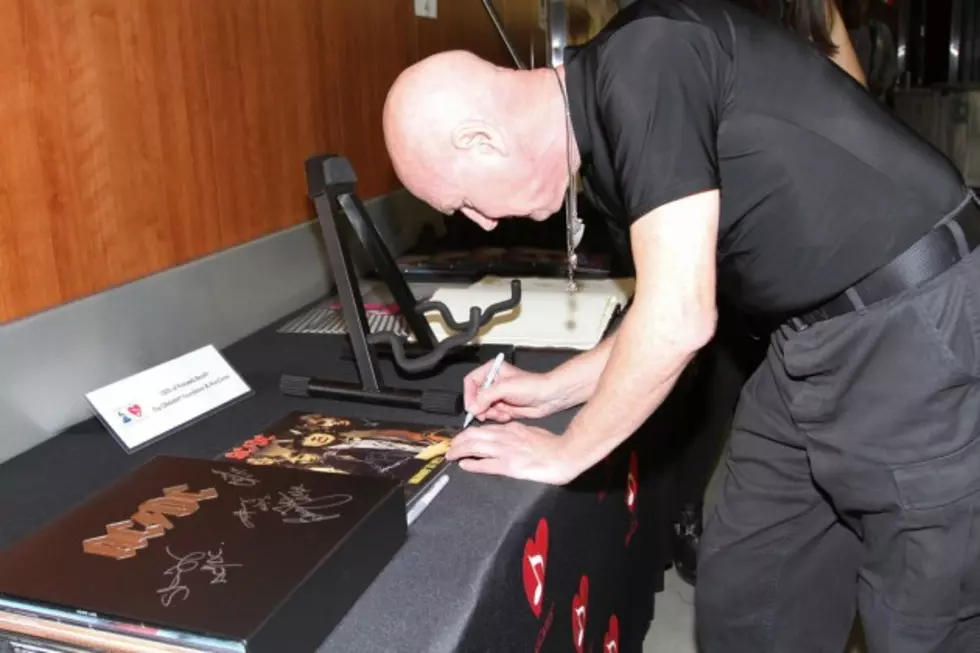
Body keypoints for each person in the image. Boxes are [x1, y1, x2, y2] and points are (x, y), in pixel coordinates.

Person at [382, 0, 980, 651]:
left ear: (482, 140)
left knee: (922, 621)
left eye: (463, 201)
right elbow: (666, 302)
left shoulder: (645, 61)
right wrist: (555, 388)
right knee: (750, 591)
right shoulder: (607, 113)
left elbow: (681, 318)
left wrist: (565, 449)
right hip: (809, 339)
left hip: (915, 325)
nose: (484, 223)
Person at [666, 0, 871, 587]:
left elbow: (852, 102)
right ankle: (695, 515)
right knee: (729, 378)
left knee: (753, 383)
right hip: (752, 221)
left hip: (777, 222)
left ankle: (780, 535)